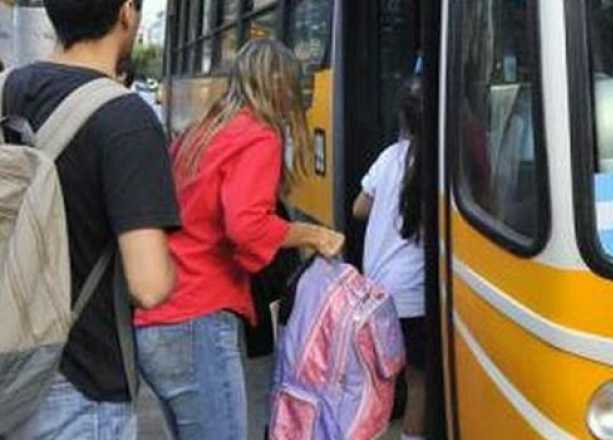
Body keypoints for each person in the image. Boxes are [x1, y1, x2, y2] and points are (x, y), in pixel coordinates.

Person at [133, 38, 346, 440]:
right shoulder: (258, 136)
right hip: (197, 317)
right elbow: (247, 227)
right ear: (279, 85)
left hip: (158, 319)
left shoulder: (202, 132)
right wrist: (315, 235)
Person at [2, 0, 181, 437]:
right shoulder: (127, 120)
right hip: (78, 385)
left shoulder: (7, 89)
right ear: (126, 13)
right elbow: (149, 285)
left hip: (6, 360)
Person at [353, 77, 427, 440]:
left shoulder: (388, 157)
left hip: (376, 293)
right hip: (412, 298)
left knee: (379, 380)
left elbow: (358, 209)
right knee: (419, 382)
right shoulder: (438, 164)